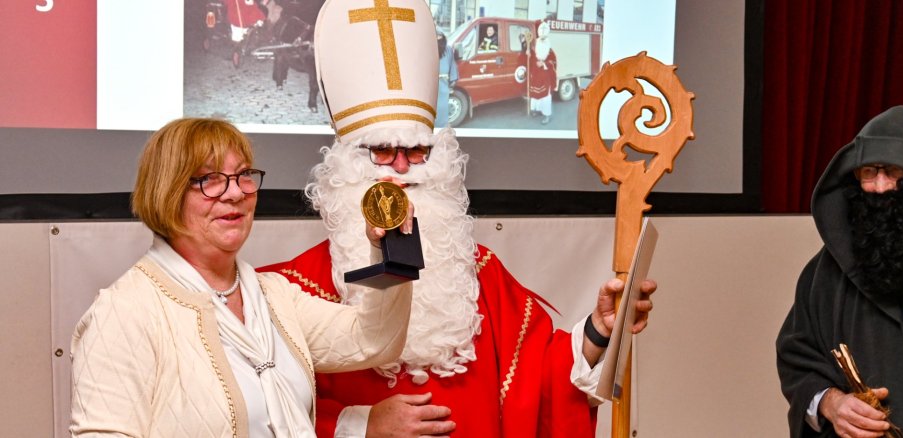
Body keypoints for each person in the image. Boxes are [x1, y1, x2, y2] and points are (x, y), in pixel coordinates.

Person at [259, 1, 657, 436]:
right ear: (345, 166)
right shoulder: (292, 290)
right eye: (382, 150)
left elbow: (542, 378)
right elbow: (260, 407)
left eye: (417, 151)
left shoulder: (480, 274)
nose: (401, 168)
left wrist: (599, 331)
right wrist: (359, 424)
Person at [70, 118, 413, 437]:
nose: (235, 193)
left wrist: (391, 243)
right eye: (210, 179)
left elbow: (374, 339)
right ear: (168, 193)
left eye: (243, 175)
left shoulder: (273, 295)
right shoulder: (125, 312)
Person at [776, 105, 903, 438]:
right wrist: (830, 402)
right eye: (869, 171)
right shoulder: (826, 273)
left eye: (894, 171)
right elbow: (797, 359)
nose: (880, 187)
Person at [519, 20, 557, 125]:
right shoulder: (535, 44)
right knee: (536, 93)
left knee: (545, 95)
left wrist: (544, 63)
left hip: (545, 74)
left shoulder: (550, 48)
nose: (542, 39)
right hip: (536, 74)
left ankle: (547, 115)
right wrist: (529, 54)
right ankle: (537, 110)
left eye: (544, 37)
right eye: (541, 37)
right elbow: (532, 58)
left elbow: (553, 61)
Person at [434, 30, 458, 128]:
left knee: (442, 108)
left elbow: (452, 64)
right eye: (436, 36)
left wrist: (453, 79)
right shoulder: (428, 48)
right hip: (431, 84)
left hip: (443, 84)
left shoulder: (448, 49)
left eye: (440, 36)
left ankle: (441, 129)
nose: (438, 38)